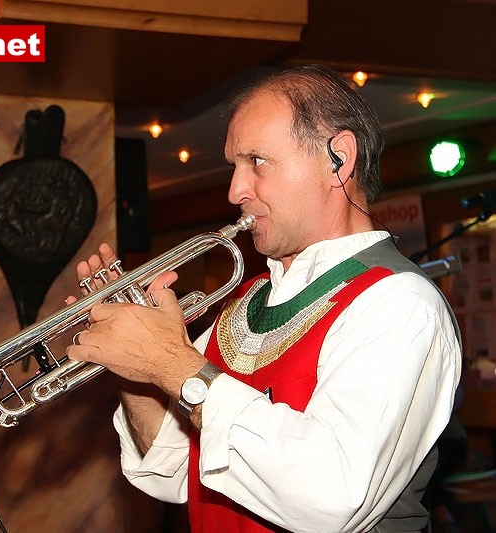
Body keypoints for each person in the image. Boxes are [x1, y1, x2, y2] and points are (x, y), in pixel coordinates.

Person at [66, 64, 462, 533]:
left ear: (338, 159)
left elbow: (332, 497)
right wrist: (135, 367)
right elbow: (170, 470)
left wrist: (170, 363)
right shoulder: (248, 299)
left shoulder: (399, 302)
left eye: (257, 161)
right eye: (234, 166)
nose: (235, 190)